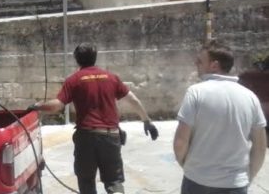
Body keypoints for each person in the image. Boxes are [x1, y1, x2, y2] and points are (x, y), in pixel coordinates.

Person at [28, 45, 159, 194]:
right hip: (111, 136)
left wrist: (37, 106)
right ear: (95, 57)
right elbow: (133, 100)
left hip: (86, 137)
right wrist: (147, 121)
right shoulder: (111, 77)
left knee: (86, 182)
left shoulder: (74, 80)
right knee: (114, 181)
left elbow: (57, 106)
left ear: (77, 60)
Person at [173, 44, 267, 194]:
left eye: (199, 61)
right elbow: (260, 147)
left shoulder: (195, 93)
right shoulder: (250, 97)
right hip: (235, 184)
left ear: (214, 65)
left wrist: (188, 167)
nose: (196, 64)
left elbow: (180, 142)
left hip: (198, 182)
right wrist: (247, 178)